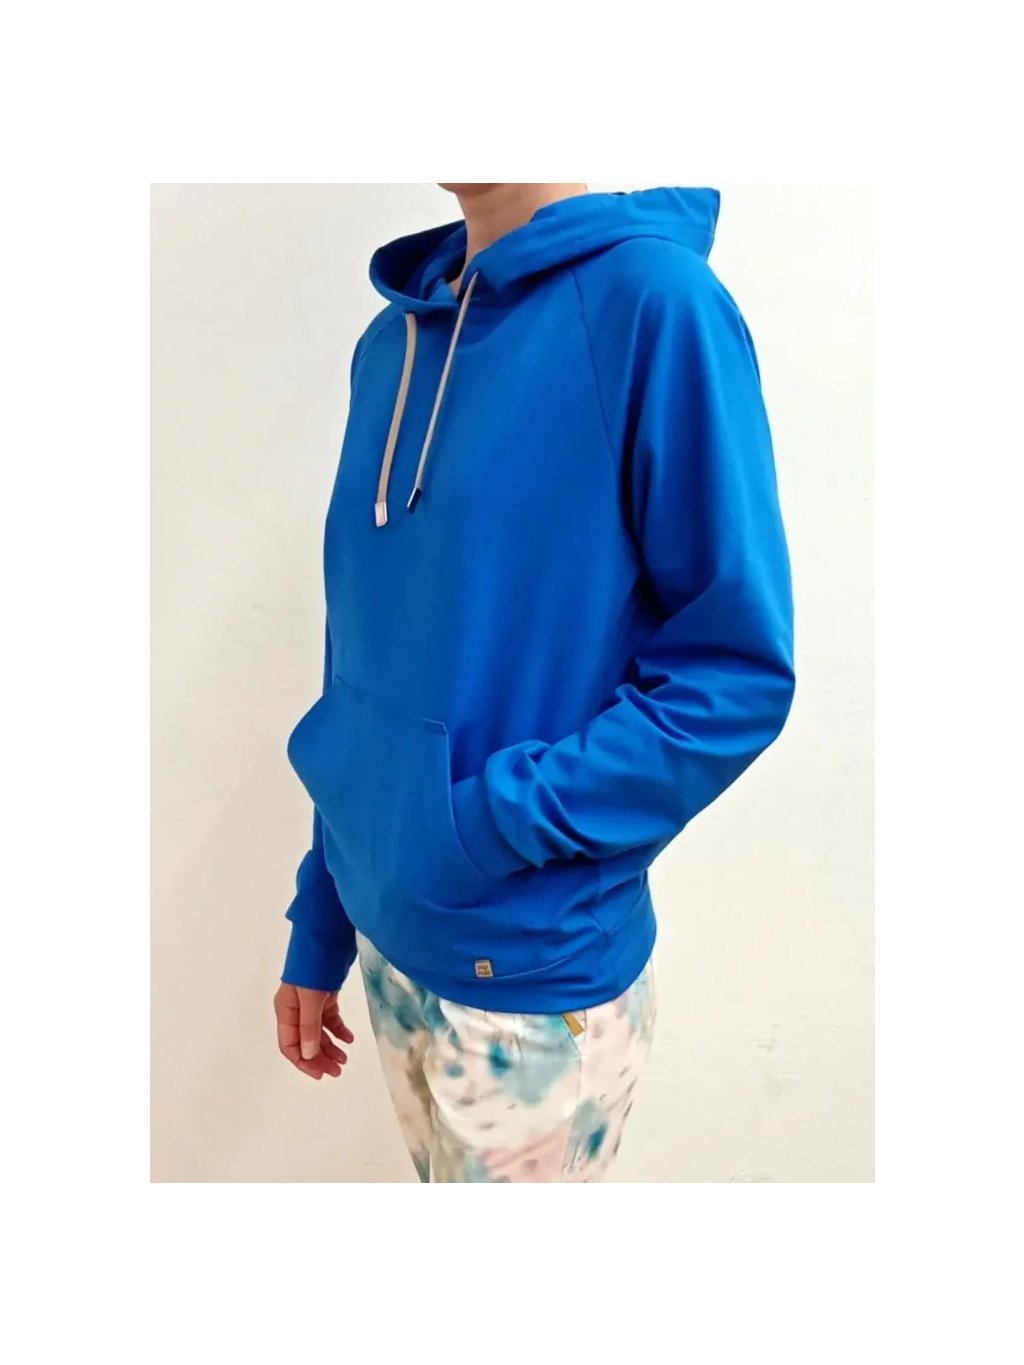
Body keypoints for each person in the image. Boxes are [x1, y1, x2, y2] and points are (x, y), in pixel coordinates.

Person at [273, 183, 795, 1183]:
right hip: (390, 950)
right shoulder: (390, 346)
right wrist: (324, 912)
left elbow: (733, 675)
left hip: (531, 976)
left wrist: (485, 826)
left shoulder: (655, 304)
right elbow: (367, 662)